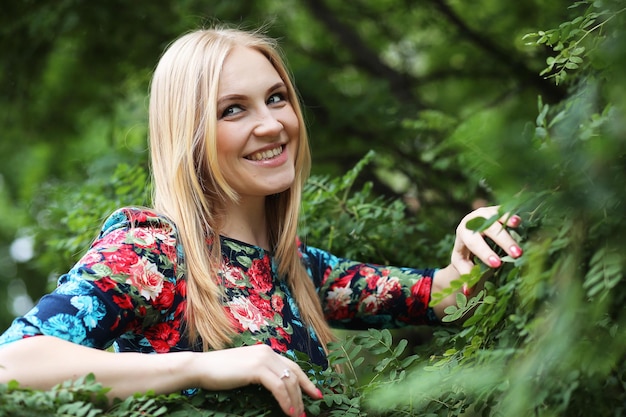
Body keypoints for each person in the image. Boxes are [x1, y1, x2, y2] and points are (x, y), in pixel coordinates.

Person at [0, 27, 523, 417]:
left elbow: (446, 297)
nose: (271, 124)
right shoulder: (152, 253)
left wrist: (476, 238)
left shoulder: (297, 269)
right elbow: (12, 366)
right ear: (191, 134)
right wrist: (202, 366)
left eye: (276, 98)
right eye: (233, 110)